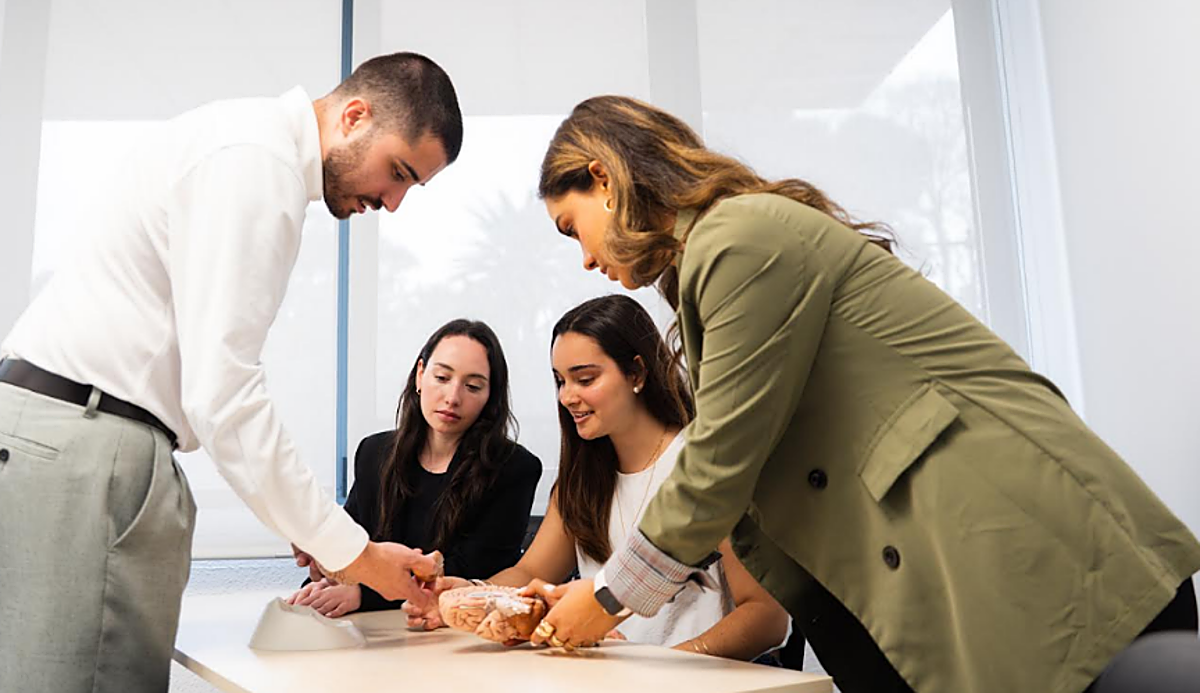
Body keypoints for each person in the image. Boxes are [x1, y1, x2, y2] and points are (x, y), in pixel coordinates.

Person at [528, 95, 1200, 693]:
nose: (584, 257)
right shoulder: (727, 248)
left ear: (603, 179)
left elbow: (724, 455)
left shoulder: (738, 238)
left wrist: (608, 597)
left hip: (1030, 549)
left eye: (570, 227)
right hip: (979, 567)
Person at [0, 52, 460, 693]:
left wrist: (309, 528)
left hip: (59, 431)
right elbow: (223, 393)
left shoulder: (237, 140)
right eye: (399, 172)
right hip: (91, 444)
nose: (393, 202)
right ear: (355, 116)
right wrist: (357, 554)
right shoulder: (260, 165)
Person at [406, 295, 789, 661]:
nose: (567, 397)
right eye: (560, 381)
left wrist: (662, 668)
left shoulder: (706, 468)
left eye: (585, 379)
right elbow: (531, 572)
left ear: (637, 373)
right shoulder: (583, 479)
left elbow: (767, 619)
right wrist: (471, 593)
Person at [287, 319, 541, 617]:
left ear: (490, 396)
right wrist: (324, 572)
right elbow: (354, 547)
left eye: (473, 386)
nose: (453, 398)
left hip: (455, 629)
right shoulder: (374, 453)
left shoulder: (514, 469)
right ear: (420, 375)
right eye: (442, 377)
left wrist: (363, 594)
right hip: (372, 630)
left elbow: (473, 570)